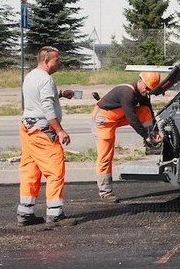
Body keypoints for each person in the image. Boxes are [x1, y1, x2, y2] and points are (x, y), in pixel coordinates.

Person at [17, 46, 77, 228]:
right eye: (56, 59)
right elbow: (47, 108)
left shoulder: (31, 76)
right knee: (55, 171)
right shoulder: (45, 79)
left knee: (30, 171)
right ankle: (55, 215)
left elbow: (38, 98)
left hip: (28, 130)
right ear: (46, 61)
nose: (59, 62)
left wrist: (60, 94)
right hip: (43, 131)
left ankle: (25, 213)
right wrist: (59, 130)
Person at [91, 71, 162, 202]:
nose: (146, 92)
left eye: (150, 90)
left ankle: (150, 145)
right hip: (103, 120)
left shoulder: (142, 93)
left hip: (117, 116)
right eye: (146, 88)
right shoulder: (127, 92)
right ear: (140, 81)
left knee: (145, 111)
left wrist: (155, 130)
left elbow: (149, 110)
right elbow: (132, 118)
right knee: (106, 156)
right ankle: (105, 192)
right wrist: (145, 135)